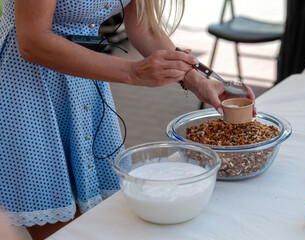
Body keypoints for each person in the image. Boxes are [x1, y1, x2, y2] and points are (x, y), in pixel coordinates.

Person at [0, 0, 255, 238]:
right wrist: (134, 72)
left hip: (84, 79)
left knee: (94, 218)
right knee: (63, 227)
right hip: (25, 87)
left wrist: (197, 81)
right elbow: (32, 42)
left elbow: (145, 28)